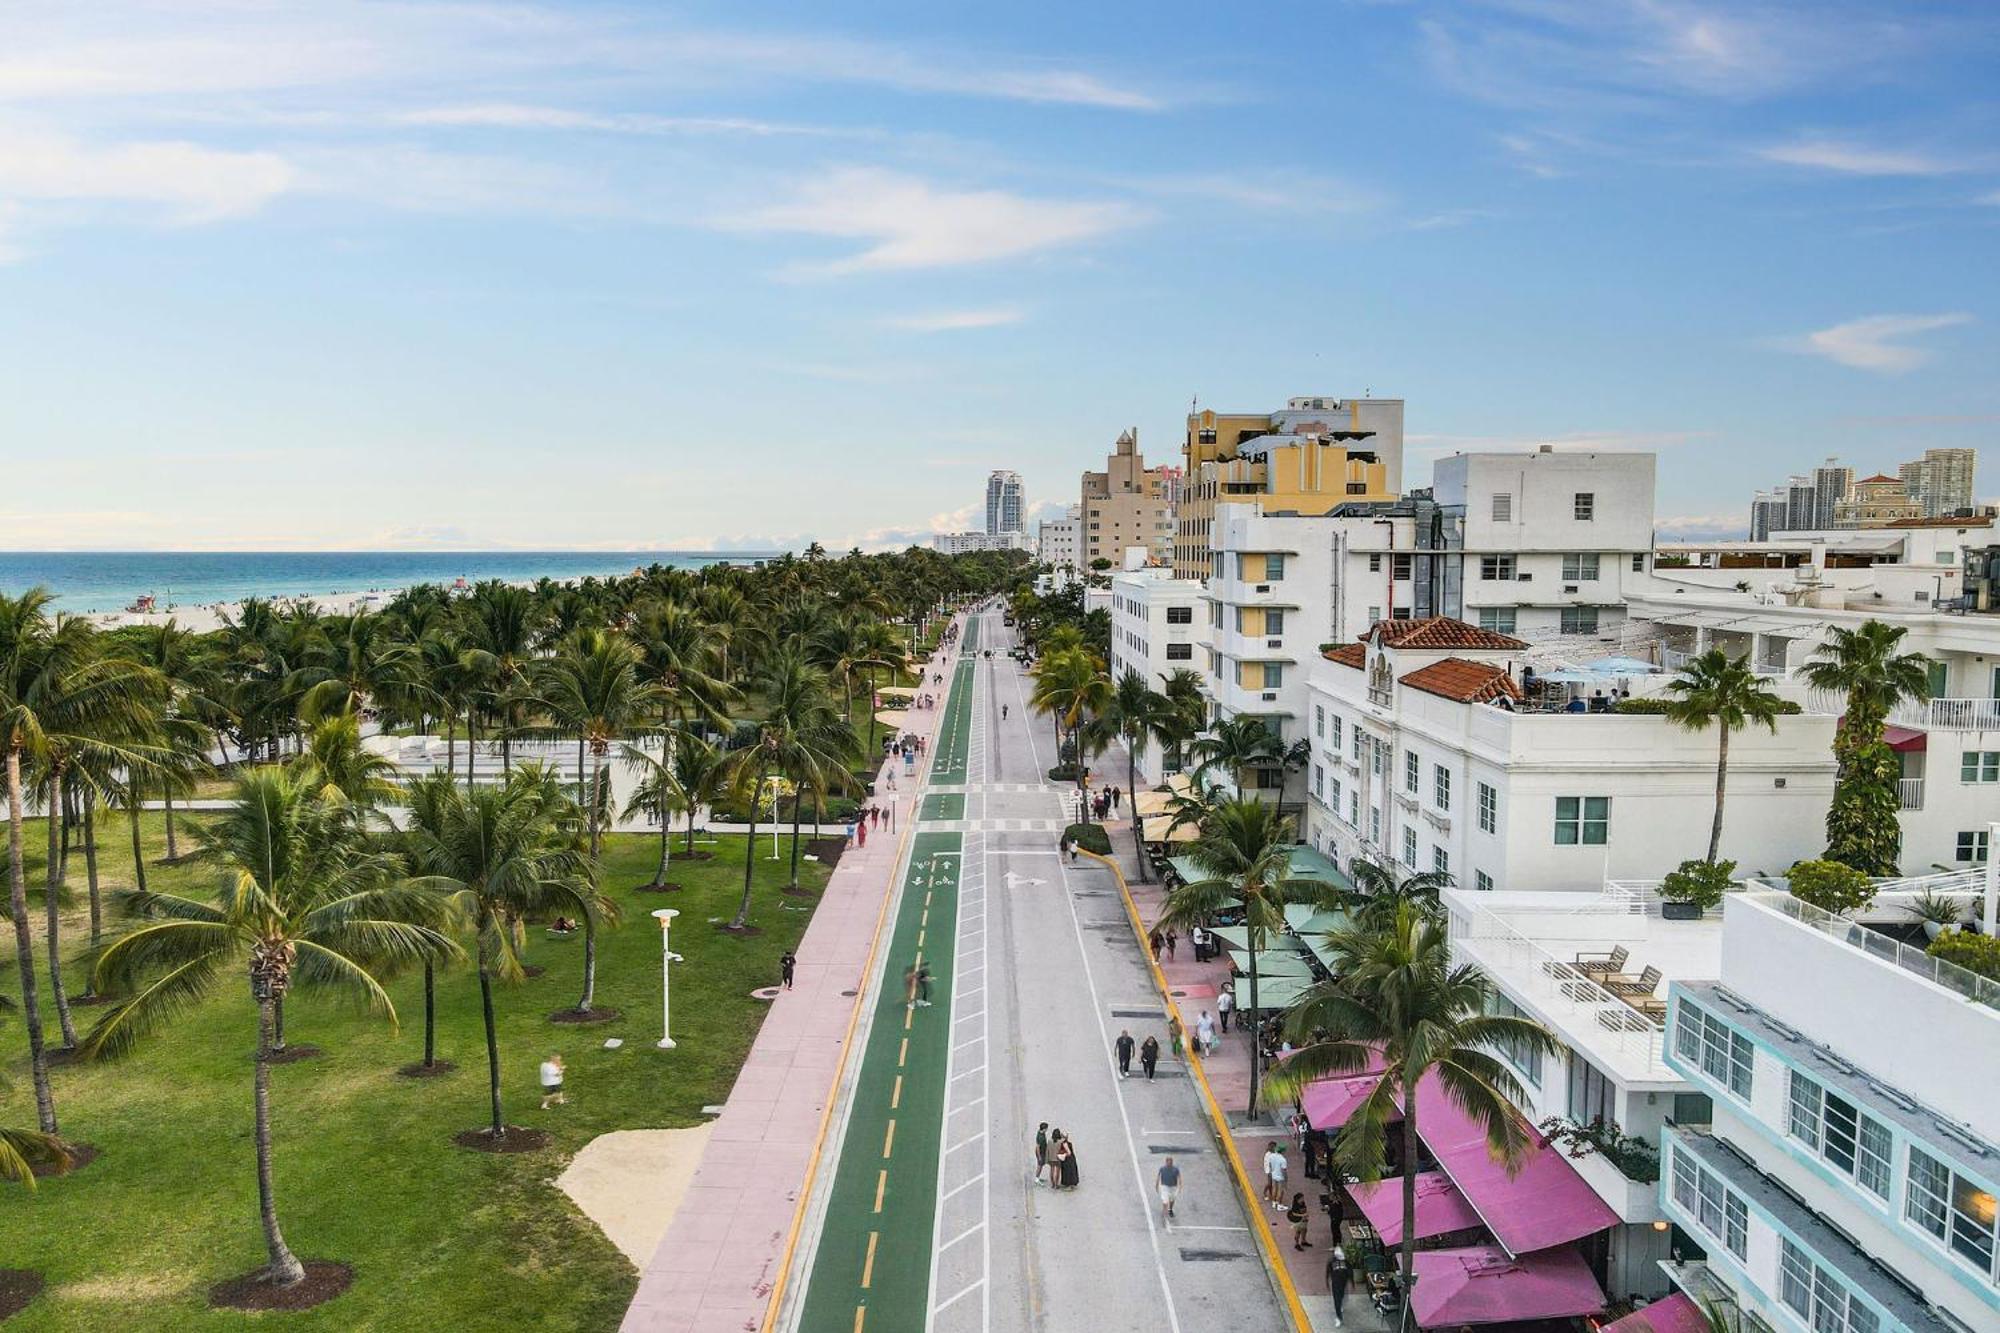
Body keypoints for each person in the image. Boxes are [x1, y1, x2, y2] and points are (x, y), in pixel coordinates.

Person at [1325, 1244, 1351, 1326]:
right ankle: (1339, 1317)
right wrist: (1327, 1282)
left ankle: (1340, 1307)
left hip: (1343, 1282)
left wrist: (1352, 1282)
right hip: (1335, 1283)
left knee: (1341, 1295)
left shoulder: (1346, 1262)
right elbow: (1327, 1273)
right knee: (1337, 1300)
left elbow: (1350, 1271)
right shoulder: (1331, 1262)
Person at [1156, 1156, 1182, 1222]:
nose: (1169, 1163)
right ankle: (1165, 1213)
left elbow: (1179, 1177)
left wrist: (1180, 1185)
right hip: (1165, 1187)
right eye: (1168, 1162)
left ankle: (1170, 1209)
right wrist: (1156, 1185)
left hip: (1173, 1187)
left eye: (1170, 1162)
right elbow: (1158, 1177)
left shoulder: (1176, 1169)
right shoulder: (1162, 1169)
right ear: (1166, 1162)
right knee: (1165, 1201)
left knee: (1172, 1199)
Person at [1262, 1141, 1288, 1206]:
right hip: (1275, 1174)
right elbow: (1284, 1170)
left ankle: (1273, 1201)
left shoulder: (1272, 1155)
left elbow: (1270, 1164)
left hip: (1273, 1173)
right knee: (1279, 1189)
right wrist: (1286, 1179)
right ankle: (1278, 1203)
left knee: (1274, 1187)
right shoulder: (1282, 1159)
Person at [1034, 1122, 1050, 1186]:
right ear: (1043, 1129)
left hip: (1042, 1152)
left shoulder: (1041, 1133)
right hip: (1040, 1152)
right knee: (1040, 1166)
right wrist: (1039, 1156)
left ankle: (1038, 1177)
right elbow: (1038, 1147)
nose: (1047, 1130)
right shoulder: (1040, 1137)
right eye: (1046, 1129)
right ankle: (1037, 1179)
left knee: (1041, 1165)